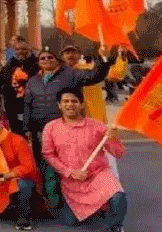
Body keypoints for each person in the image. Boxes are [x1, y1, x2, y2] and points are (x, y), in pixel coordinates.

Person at [42, 88, 127, 232]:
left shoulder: (97, 125)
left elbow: (119, 153)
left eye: (74, 101)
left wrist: (112, 138)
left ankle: (114, 226)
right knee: (71, 222)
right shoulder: (51, 128)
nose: (70, 105)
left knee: (119, 197)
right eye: (65, 101)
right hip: (71, 181)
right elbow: (48, 154)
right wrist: (69, 172)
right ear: (59, 105)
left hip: (97, 175)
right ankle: (98, 208)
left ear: (81, 104)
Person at [23, 47, 113, 163]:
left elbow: (94, 76)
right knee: (43, 164)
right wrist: (27, 128)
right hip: (39, 131)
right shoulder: (33, 81)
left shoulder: (71, 74)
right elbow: (27, 104)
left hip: (64, 129)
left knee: (66, 163)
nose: (46, 60)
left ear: (57, 60)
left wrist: (103, 59)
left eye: (50, 57)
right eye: (42, 58)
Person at [0, 41, 39, 135]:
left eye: (24, 49)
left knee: (34, 134)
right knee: (17, 134)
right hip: (13, 106)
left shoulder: (37, 65)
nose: (20, 51)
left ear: (29, 50)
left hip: (33, 106)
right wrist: (9, 89)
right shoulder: (8, 66)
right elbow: (0, 84)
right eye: (17, 49)